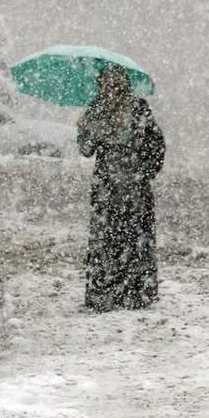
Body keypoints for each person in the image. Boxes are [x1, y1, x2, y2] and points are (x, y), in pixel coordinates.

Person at [76, 63, 166, 313]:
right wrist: (85, 131)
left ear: (124, 84)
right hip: (106, 185)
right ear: (101, 85)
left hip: (135, 187)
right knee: (107, 238)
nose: (111, 87)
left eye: (116, 82)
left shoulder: (138, 108)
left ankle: (136, 293)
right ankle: (104, 293)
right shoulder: (95, 109)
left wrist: (143, 171)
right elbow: (86, 150)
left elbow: (156, 143)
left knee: (135, 237)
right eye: (107, 82)